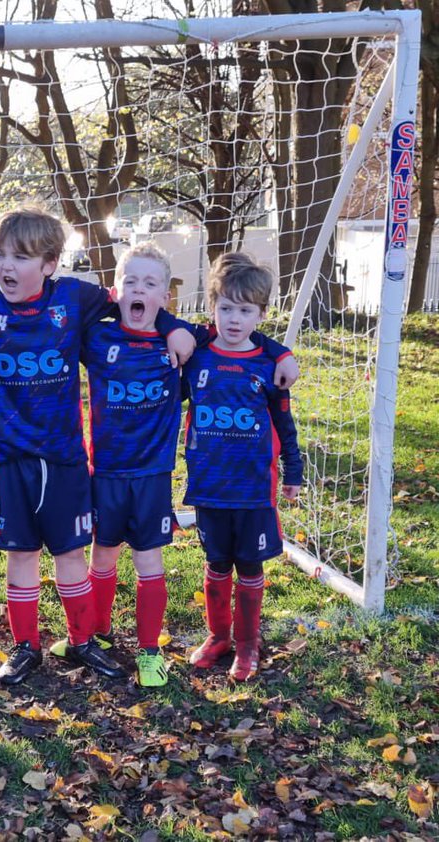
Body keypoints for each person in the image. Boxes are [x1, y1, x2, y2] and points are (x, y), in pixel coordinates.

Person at [0, 205, 198, 686]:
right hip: (11, 460)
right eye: (0, 255)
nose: (7, 266)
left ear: (49, 264)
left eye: (21, 257)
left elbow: (133, 296)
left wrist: (173, 325)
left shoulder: (75, 298)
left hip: (66, 457)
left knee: (71, 554)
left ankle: (82, 639)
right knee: (20, 555)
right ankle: (25, 646)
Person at [72, 243, 296, 687]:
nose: (234, 318)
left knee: (216, 563)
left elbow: (263, 370)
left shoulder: (204, 349)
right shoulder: (105, 338)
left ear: (167, 297)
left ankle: (232, 645)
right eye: (130, 282)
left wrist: (284, 354)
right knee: (108, 554)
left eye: (151, 283)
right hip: (120, 474)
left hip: (181, 478)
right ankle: (101, 633)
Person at [182, 252, 302, 683]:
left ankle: (248, 645)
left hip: (253, 488)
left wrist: (294, 471)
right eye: (226, 308)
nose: (235, 319)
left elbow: (284, 423)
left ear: (261, 314)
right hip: (210, 485)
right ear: (212, 307)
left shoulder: (269, 365)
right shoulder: (195, 358)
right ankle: (218, 637)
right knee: (216, 563)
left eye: (245, 310)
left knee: (249, 566)